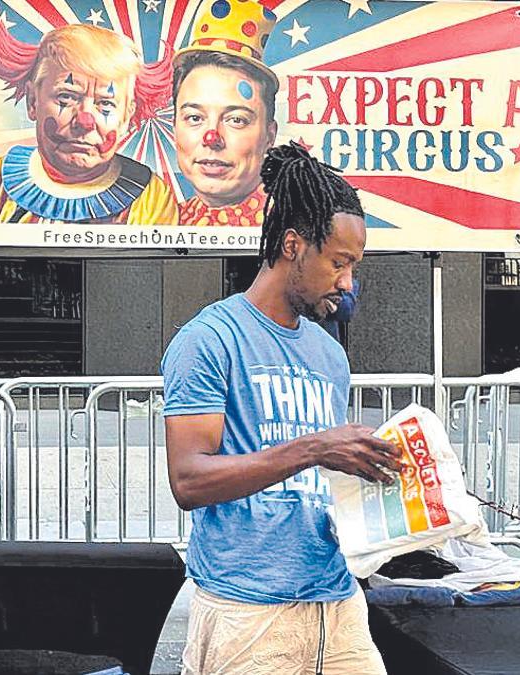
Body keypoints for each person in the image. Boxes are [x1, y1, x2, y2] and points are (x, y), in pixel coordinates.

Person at [161, 142, 398, 674]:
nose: (347, 283)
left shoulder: (328, 352)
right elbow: (189, 481)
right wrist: (315, 448)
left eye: (353, 267)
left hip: (337, 599)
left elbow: (321, 477)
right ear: (293, 245)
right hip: (247, 609)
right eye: (339, 263)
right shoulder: (208, 339)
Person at [0, 14, 178, 224]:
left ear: (126, 118)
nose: (85, 122)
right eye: (66, 97)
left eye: (106, 104)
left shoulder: (152, 197)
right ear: (32, 102)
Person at [172, 0, 278, 227]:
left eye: (236, 120)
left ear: (269, 136)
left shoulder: (294, 225)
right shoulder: (168, 220)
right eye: (194, 118)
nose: (212, 138)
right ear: (174, 127)